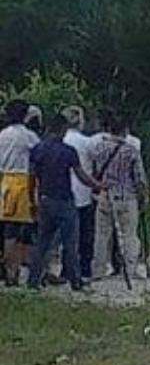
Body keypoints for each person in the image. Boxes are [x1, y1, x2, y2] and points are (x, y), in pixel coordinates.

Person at [26, 114, 101, 291]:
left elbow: (31, 178)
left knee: (43, 242)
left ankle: (33, 279)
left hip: (45, 199)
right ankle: (75, 280)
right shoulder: (68, 151)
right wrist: (99, 185)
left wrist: (32, 200)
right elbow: (81, 176)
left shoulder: (38, 149)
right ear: (62, 129)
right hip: (65, 200)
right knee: (70, 243)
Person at [90, 112, 147, 281]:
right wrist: (142, 196)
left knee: (101, 234)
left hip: (105, 194)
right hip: (127, 196)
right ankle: (130, 269)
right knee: (129, 234)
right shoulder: (131, 150)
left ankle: (98, 270)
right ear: (125, 131)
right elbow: (139, 177)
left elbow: (94, 171)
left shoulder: (98, 148)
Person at [0, 100, 39, 287]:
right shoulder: (28, 137)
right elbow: (38, 158)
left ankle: (8, 269)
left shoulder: (3, 135)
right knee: (16, 230)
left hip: (3, 180)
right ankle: (12, 271)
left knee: (6, 228)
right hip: (21, 182)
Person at [62, 106, 96, 284]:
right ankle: (84, 267)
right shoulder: (86, 142)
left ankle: (65, 268)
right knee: (84, 233)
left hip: (64, 192)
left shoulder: (61, 141)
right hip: (83, 193)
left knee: (65, 235)